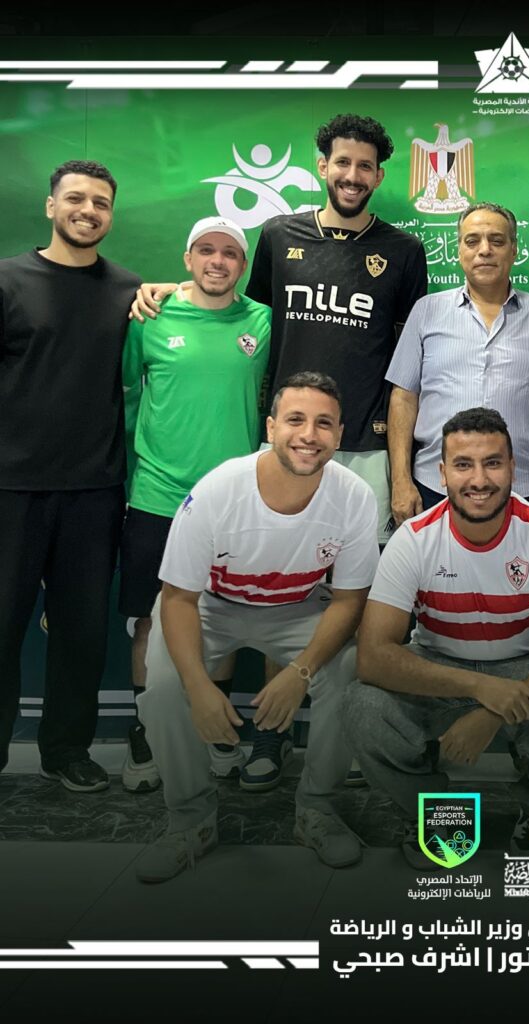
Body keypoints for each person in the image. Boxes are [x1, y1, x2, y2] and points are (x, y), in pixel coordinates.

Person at [133, 113, 427, 782]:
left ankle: (338, 738)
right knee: (275, 591)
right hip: (286, 445)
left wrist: (400, 468)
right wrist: (167, 291)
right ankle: (266, 736)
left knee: (346, 602)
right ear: (322, 165)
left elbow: (410, 359)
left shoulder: (404, 250)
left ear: (379, 175)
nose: (352, 175)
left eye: (365, 166)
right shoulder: (276, 235)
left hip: (364, 450)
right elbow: (235, 309)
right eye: (341, 162)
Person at [135, 372, 378, 882]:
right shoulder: (218, 490)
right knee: (163, 686)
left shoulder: (354, 495)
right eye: (295, 420)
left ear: (339, 434)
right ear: (270, 428)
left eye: (324, 424)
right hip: (211, 607)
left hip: (298, 607)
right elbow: (178, 599)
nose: (308, 434)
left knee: (351, 670)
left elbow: (350, 601)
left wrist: (302, 672)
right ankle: (190, 821)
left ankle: (317, 810)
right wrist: (199, 687)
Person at [348, 407, 529, 868]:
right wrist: (480, 688)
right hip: (440, 666)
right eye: (463, 465)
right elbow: (372, 657)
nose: (479, 479)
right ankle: (436, 813)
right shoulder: (413, 539)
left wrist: (493, 710)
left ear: (513, 467)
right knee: (363, 709)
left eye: (492, 463)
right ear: (442, 473)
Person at [0, 160, 141, 792]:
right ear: (50, 206)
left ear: (111, 214)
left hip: (93, 491)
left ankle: (66, 751)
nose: (88, 211)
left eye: (101, 203)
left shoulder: (129, 290)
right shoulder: (7, 280)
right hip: (10, 490)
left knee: (82, 633)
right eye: (76, 199)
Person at [119, 215, 271, 793]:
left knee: (218, 620)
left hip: (230, 503)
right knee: (148, 620)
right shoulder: (150, 318)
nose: (217, 261)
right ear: (188, 259)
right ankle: (146, 737)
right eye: (205, 250)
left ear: (243, 266)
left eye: (229, 253)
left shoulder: (262, 321)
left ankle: (217, 733)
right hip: (156, 496)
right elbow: (125, 392)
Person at [387, 202, 529, 531]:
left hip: (526, 488)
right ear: (459, 251)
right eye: (472, 240)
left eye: (496, 240)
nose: (484, 250)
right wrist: (400, 480)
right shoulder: (426, 311)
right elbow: (404, 398)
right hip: (435, 488)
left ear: (514, 250)